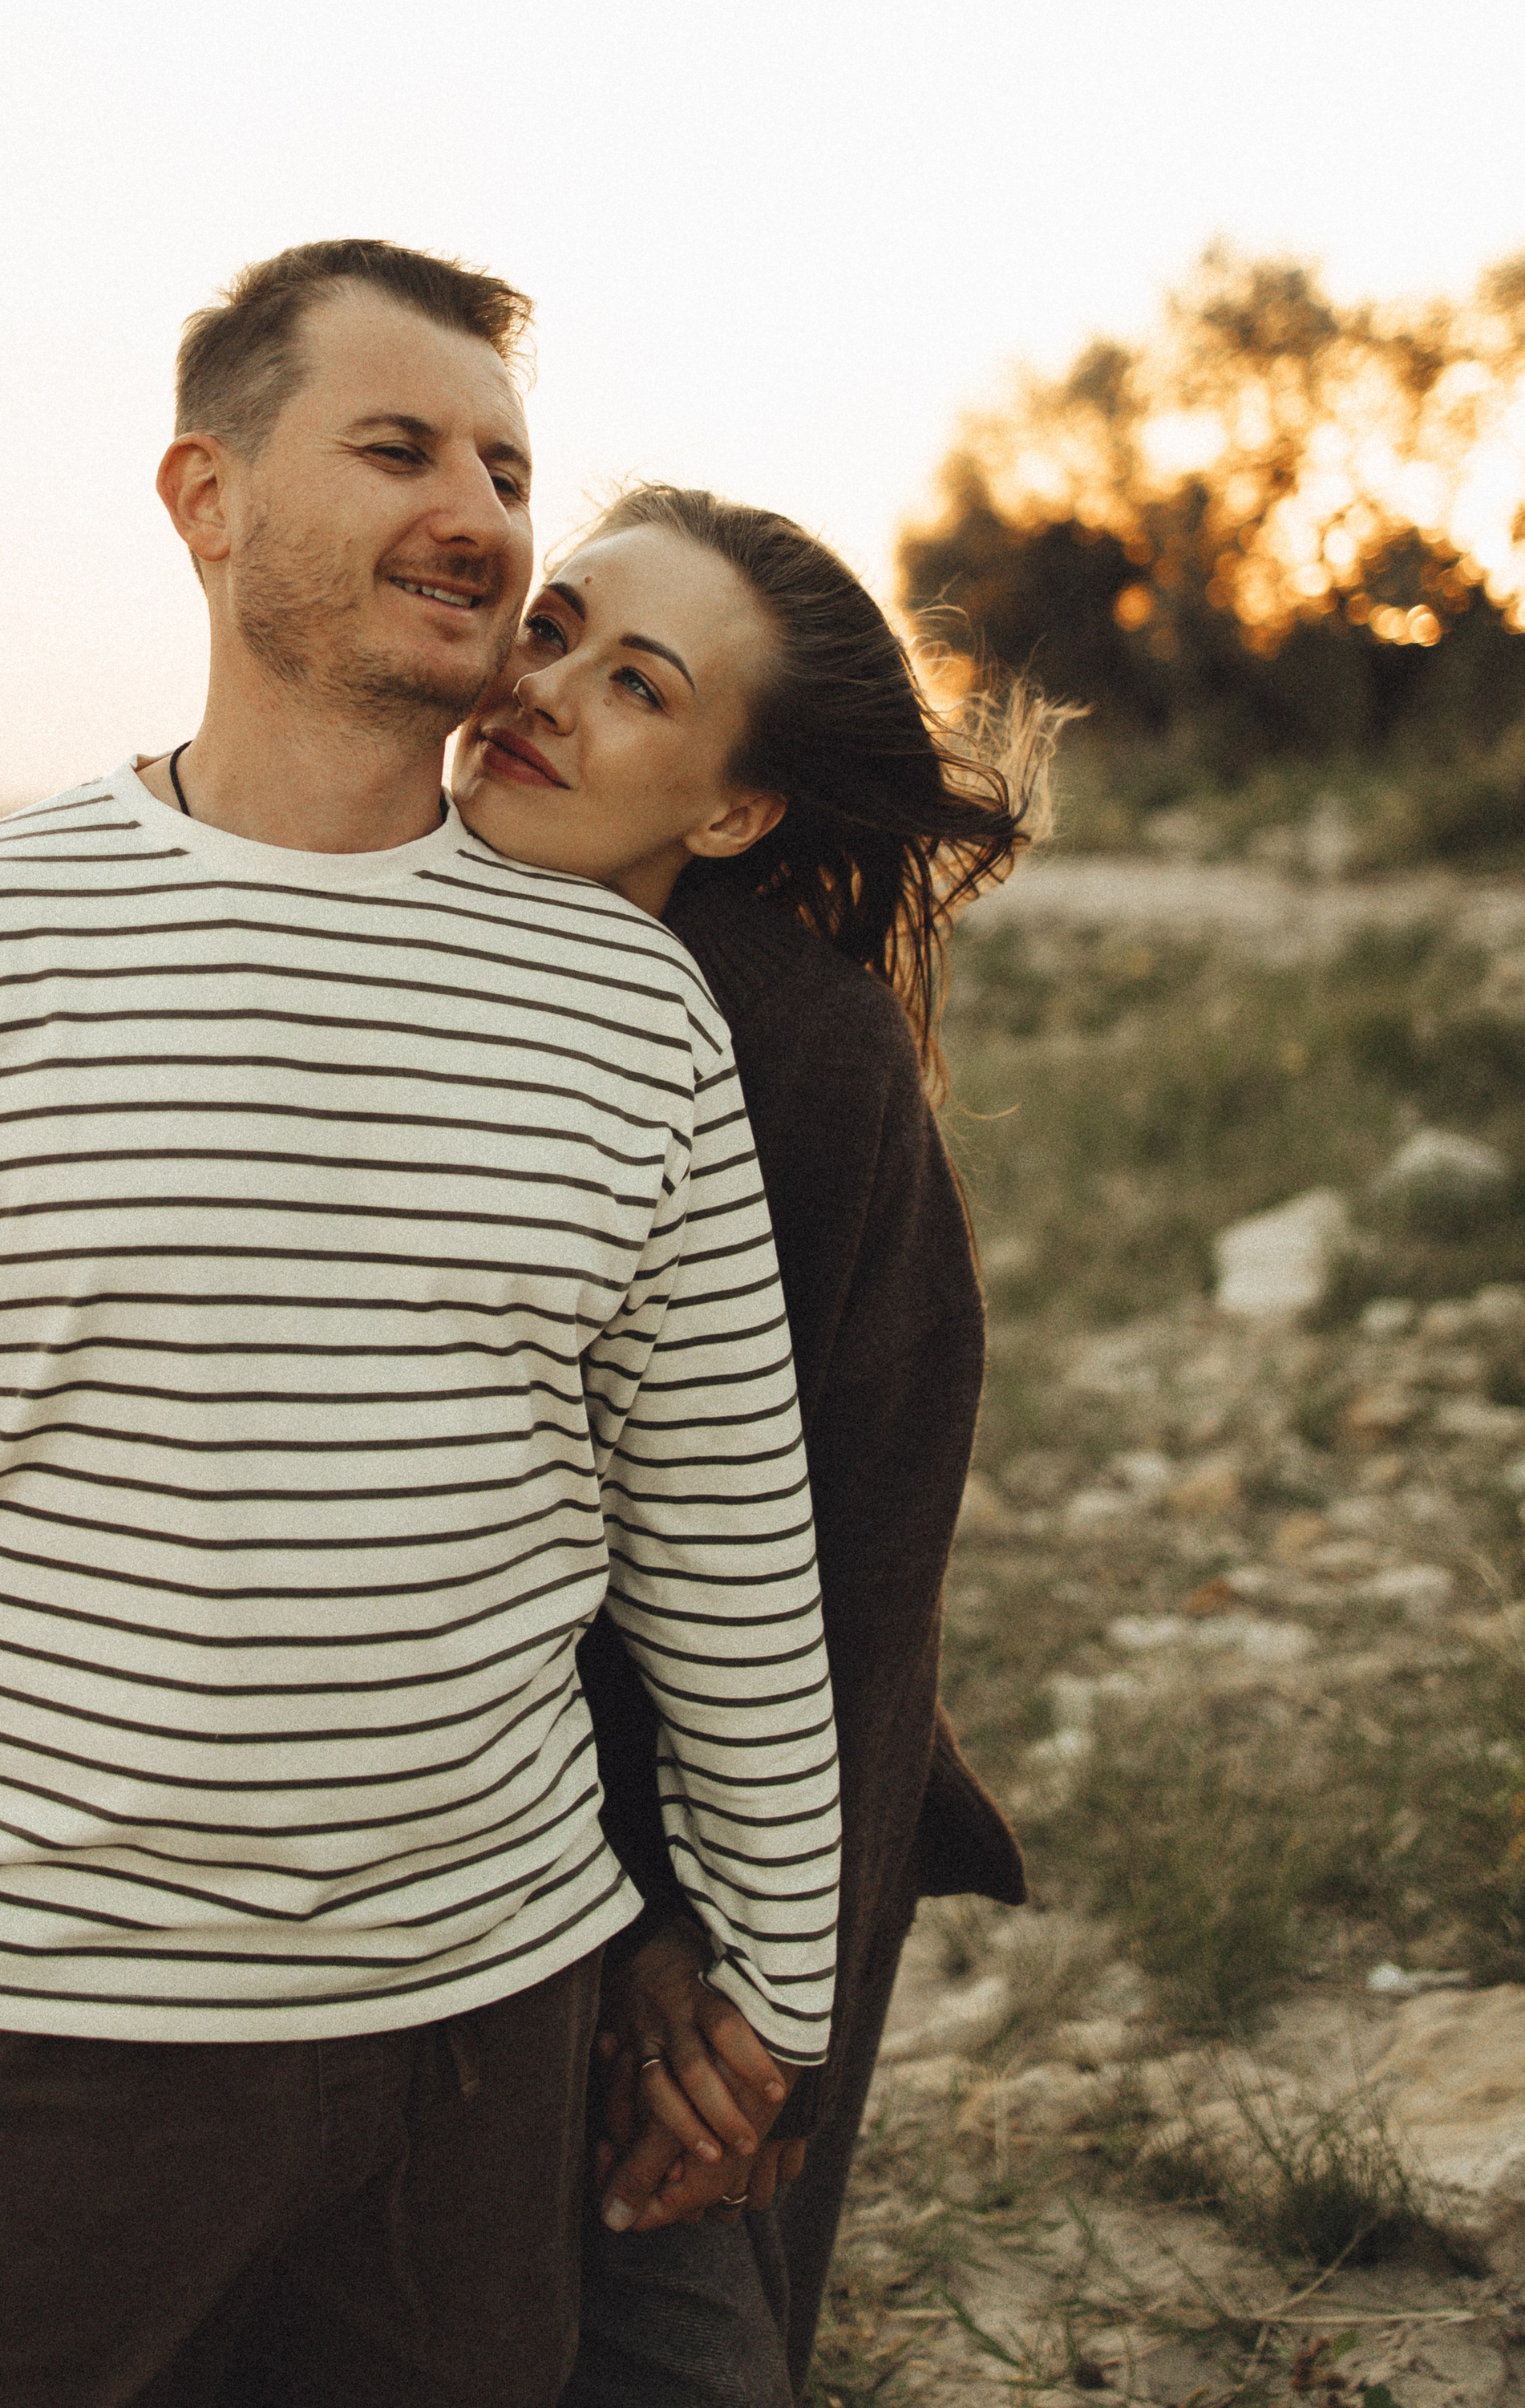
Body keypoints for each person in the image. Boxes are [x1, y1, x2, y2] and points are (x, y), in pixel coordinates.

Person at [0, 242, 843, 2408]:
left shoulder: (626, 1012)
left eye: (507, 465)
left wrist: (774, 1979)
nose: (483, 517)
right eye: (395, 447)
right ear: (203, 500)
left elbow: (724, 1548)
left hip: (481, 2047)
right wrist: (18, 1727)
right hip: (33, 2032)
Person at [451, 484, 1046, 2408]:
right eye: (549, 630)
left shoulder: (792, 1057)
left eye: (635, 685)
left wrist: (746, 1996)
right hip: (371, 1871)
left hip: (701, 1861)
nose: (543, 692)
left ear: (729, 808)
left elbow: (857, 1589)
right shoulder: (351, 934)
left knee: (664, 2325)